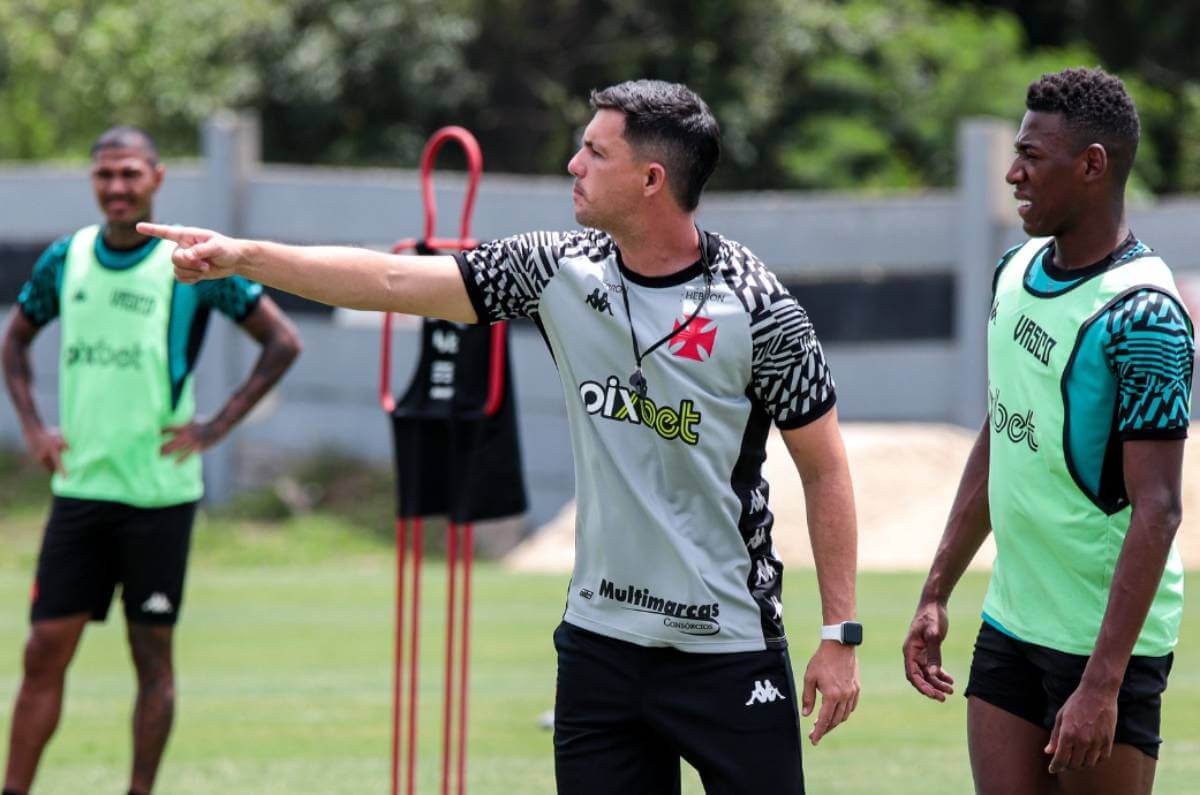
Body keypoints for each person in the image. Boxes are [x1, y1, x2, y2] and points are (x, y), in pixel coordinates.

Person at [139, 80, 860, 794]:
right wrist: (245, 256)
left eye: (593, 152)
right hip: (600, 645)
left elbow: (825, 469)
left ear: (650, 178)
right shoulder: (556, 270)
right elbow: (392, 279)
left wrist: (839, 633)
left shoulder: (761, 310)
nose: (573, 165)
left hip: (727, 647)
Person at [902, 67, 1194, 795]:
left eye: (1033, 155)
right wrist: (937, 588)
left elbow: (1158, 508)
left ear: (1092, 166)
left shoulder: (1146, 316)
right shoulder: (1015, 270)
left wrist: (1102, 685)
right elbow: (1003, 433)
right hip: (1010, 621)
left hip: (1102, 649)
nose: (1012, 172)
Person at [1, 127, 301, 795]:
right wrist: (33, 427)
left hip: (160, 496)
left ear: (157, 179)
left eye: (130, 174)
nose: (117, 187)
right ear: (93, 181)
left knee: (152, 659)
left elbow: (281, 340)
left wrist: (218, 424)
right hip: (81, 490)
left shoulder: (190, 264)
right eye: (105, 175)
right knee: (42, 651)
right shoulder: (67, 258)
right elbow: (14, 341)